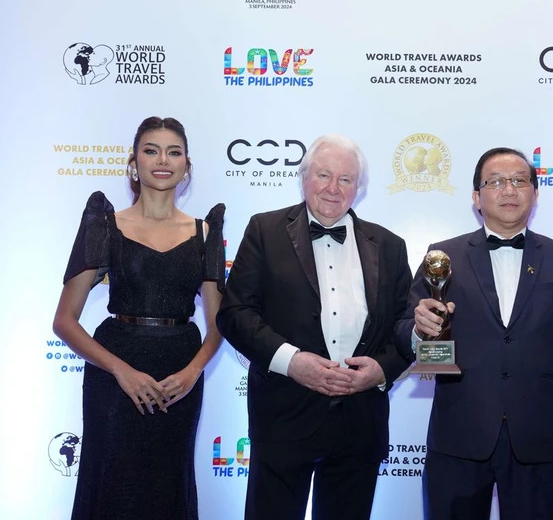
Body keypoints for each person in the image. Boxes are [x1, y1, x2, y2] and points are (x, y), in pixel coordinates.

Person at [396, 147, 553, 520]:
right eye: (495, 182)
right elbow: (402, 331)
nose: (509, 190)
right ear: (476, 196)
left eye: (519, 181)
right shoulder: (442, 256)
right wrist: (420, 330)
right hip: (458, 435)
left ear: (535, 193)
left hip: (538, 437)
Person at [216, 134, 412, 520]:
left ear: (359, 188)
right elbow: (234, 313)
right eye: (323, 175)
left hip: (359, 423)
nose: (333, 188)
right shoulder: (264, 230)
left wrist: (380, 371)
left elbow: (405, 327)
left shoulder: (390, 245)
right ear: (304, 178)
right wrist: (291, 362)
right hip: (283, 416)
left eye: (346, 179)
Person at [53, 116, 225, 519]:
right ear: (134, 162)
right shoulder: (105, 225)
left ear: (186, 165)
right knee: (111, 483)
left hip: (178, 378)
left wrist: (192, 372)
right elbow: (64, 320)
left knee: (169, 483)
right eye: (151, 150)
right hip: (114, 375)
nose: (162, 160)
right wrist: (121, 371)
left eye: (173, 152)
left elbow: (219, 324)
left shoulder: (205, 232)